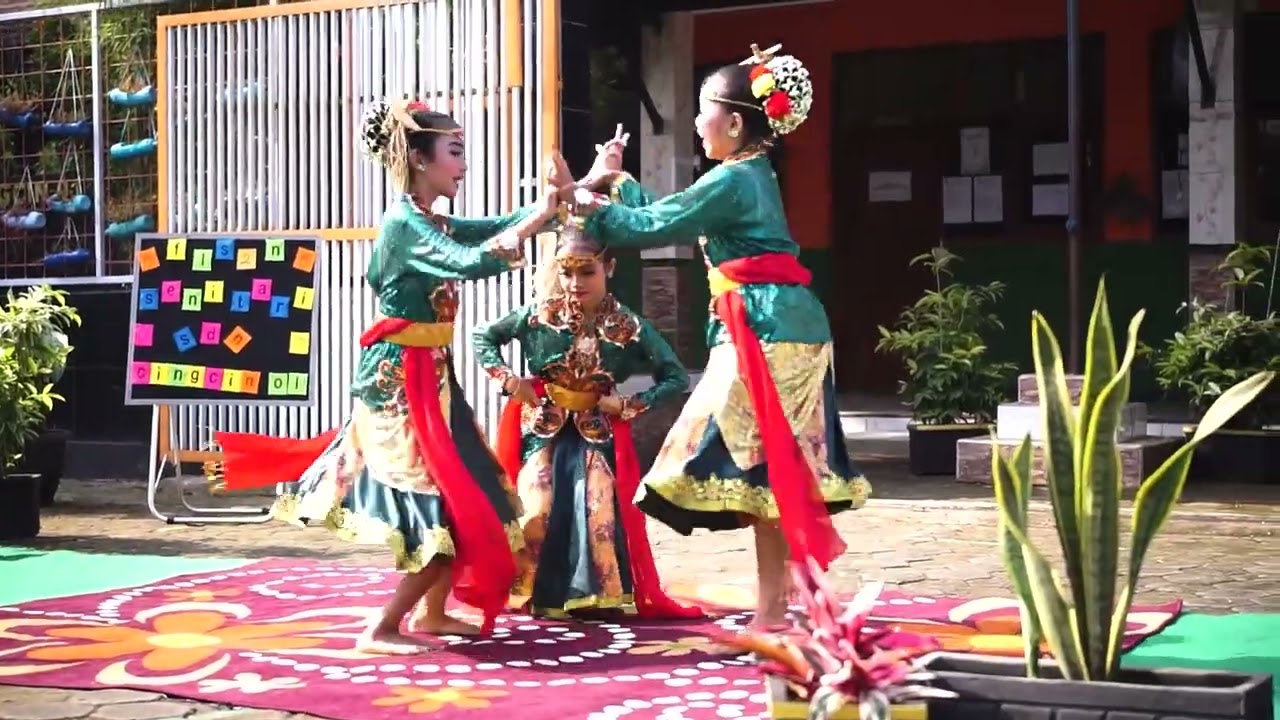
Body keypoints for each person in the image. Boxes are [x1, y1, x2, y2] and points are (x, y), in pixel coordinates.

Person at [204, 99, 561, 654]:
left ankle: (432, 613)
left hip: (433, 379)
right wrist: (543, 214)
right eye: (455, 152)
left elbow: (492, 229)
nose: (463, 164)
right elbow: (469, 260)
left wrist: (563, 197)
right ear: (420, 160)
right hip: (399, 385)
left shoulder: (428, 218)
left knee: (472, 493)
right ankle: (382, 627)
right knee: (445, 506)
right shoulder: (405, 223)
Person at [562, 45, 871, 627]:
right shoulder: (745, 175)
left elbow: (656, 225)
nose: (696, 122)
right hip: (778, 325)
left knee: (752, 461)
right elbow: (670, 214)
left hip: (768, 330)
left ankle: (777, 606)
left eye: (703, 109)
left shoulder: (735, 178)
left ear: (733, 122)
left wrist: (585, 198)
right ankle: (776, 607)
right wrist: (618, 182)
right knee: (769, 469)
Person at [472, 220, 703, 620]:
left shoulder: (628, 326)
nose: (575, 282)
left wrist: (629, 405)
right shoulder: (540, 315)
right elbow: (483, 337)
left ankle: (595, 593)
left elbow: (676, 376)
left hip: (596, 430)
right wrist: (509, 380)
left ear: (609, 268)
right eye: (566, 272)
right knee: (537, 503)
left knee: (595, 504)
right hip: (542, 426)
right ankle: (530, 592)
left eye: (586, 271)